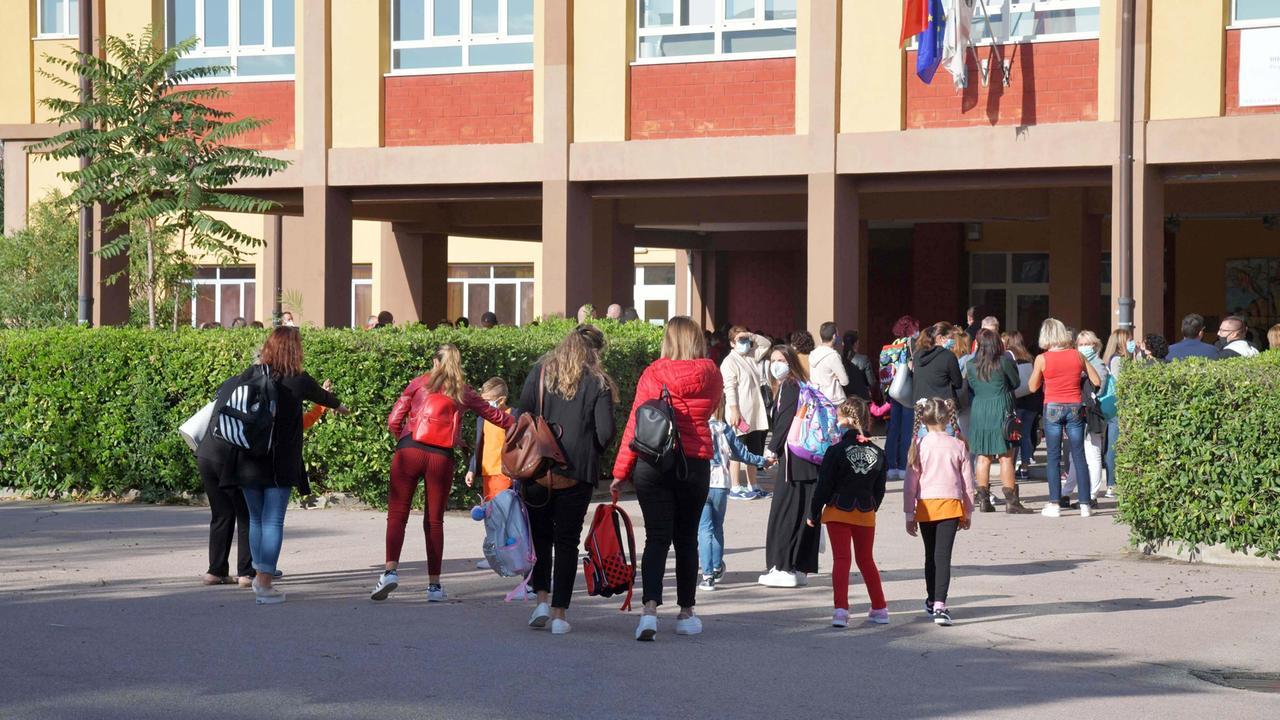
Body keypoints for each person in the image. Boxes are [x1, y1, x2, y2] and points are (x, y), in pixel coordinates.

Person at [201, 327, 349, 604]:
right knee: (273, 520)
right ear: (295, 350)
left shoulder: (250, 374)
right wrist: (339, 406)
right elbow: (323, 397)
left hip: (245, 459)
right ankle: (264, 584)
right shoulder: (298, 379)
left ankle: (259, 576)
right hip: (279, 461)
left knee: (256, 519)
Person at [372, 344, 514, 603]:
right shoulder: (464, 392)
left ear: (436, 362)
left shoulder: (418, 383)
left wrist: (404, 438)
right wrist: (525, 424)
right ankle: (434, 586)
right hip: (441, 457)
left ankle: (390, 572)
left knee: (397, 514)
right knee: (435, 521)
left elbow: (394, 420)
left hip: (409, 451)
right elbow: (496, 416)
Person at [611, 317, 722, 641]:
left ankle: (649, 612)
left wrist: (620, 472)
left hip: (653, 463)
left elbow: (636, 423)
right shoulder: (711, 373)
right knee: (686, 538)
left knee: (657, 538)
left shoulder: (654, 372)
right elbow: (712, 408)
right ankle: (686, 612)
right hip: (694, 461)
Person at [522, 324, 618, 635]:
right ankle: (559, 613)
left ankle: (539, 599)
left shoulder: (541, 372)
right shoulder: (598, 382)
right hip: (577, 471)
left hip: (537, 469)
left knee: (540, 537)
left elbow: (521, 413)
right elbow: (606, 432)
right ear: (595, 352)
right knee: (566, 542)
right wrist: (592, 450)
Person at [806, 398, 888, 628]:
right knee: (867, 560)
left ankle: (841, 610)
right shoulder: (878, 452)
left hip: (838, 511)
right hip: (865, 511)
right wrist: (872, 507)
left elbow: (824, 485)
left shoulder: (836, 450)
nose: (836, 420)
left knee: (842, 560)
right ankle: (880, 607)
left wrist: (814, 512)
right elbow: (879, 488)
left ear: (849, 420)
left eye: (839, 416)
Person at [903, 397, 974, 627]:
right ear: (946, 418)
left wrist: (909, 513)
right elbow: (968, 483)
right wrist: (968, 511)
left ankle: (932, 598)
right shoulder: (959, 444)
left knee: (930, 555)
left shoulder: (920, 444)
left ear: (923, 419)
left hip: (926, 506)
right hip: (951, 505)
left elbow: (910, 483)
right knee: (943, 557)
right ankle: (940, 605)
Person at [758, 344, 822, 589]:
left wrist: (771, 449)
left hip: (793, 459)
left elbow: (784, 421)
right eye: (772, 360)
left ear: (790, 362)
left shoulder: (790, 386)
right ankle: (799, 567)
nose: (775, 364)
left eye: (780, 359)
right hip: (807, 458)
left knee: (784, 513)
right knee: (804, 513)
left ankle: (783, 566)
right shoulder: (802, 385)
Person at [1028, 318, 1101, 518]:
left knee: (1053, 456)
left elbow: (1032, 387)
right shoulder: (1077, 355)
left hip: (1052, 406)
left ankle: (1054, 503)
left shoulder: (1042, 359)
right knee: (1079, 455)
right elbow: (1096, 380)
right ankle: (1086, 504)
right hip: (1075, 406)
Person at [702, 396, 772, 591]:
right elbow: (741, 454)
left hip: (700, 483)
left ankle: (706, 574)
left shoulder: (697, 428)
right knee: (717, 527)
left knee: (703, 529)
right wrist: (763, 461)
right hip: (721, 484)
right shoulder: (724, 429)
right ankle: (717, 567)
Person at [966, 330, 1033, 514]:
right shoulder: (1004, 361)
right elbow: (1015, 382)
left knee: (983, 455)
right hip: (1001, 407)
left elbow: (971, 385)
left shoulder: (971, 364)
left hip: (980, 409)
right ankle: (1012, 501)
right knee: (1006, 456)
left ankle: (984, 500)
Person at [720, 325, 772, 500]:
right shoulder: (729, 362)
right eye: (740, 340)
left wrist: (751, 335)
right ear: (732, 343)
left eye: (745, 340)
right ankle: (735, 486)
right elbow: (730, 388)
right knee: (737, 450)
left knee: (755, 450)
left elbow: (766, 345)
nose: (744, 343)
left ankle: (753, 485)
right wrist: (734, 410)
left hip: (755, 413)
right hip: (739, 413)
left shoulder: (751, 356)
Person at [1064, 330, 1109, 506]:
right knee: (1075, 456)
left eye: (1087, 344)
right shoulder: (1078, 363)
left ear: (1095, 345)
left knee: (1092, 454)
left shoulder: (1098, 364)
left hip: (1092, 414)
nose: (1084, 347)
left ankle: (1092, 495)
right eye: (1080, 344)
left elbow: (1100, 388)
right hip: (1079, 413)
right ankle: (1066, 492)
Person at [880, 315, 921, 480]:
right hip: (907, 390)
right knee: (907, 429)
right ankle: (904, 465)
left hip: (893, 390)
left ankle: (891, 466)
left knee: (893, 429)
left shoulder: (891, 346)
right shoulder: (911, 344)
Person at [464, 377, 514, 502]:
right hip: (488, 474)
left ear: (501, 400)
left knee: (504, 511)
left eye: (487, 401)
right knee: (490, 512)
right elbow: (479, 445)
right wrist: (472, 469)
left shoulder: (512, 416)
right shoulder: (482, 419)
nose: (484, 405)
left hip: (505, 474)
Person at [1101, 328, 1134, 498]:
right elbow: (1123, 383)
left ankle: (1113, 482)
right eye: (1129, 339)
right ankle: (1112, 483)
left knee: (1114, 442)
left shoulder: (1113, 358)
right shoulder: (1118, 360)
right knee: (1114, 443)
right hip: (1117, 406)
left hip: (1112, 405)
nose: (1132, 342)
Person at [1004, 331, 1041, 481]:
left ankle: (1010, 468)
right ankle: (1025, 467)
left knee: (1013, 435)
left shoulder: (1008, 356)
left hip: (1017, 401)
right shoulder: (1029, 357)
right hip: (1032, 401)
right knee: (1025, 434)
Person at [912, 322, 963, 409]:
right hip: (941, 407)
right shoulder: (948, 356)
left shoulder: (917, 355)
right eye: (950, 338)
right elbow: (958, 383)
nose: (953, 341)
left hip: (921, 406)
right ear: (940, 338)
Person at [808, 321, 849, 404]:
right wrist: (835, 376)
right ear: (834, 336)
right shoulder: (833, 356)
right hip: (833, 400)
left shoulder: (812, 354)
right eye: (837, 334)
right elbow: (845, 381)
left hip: (817, 398)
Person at [840, 330, 875, 402]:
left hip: (846, 399)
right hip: (862, 400)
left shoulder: (839, 360)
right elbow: (871, 382)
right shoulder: (864, 359)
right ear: (856, 343)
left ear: (843, 344)